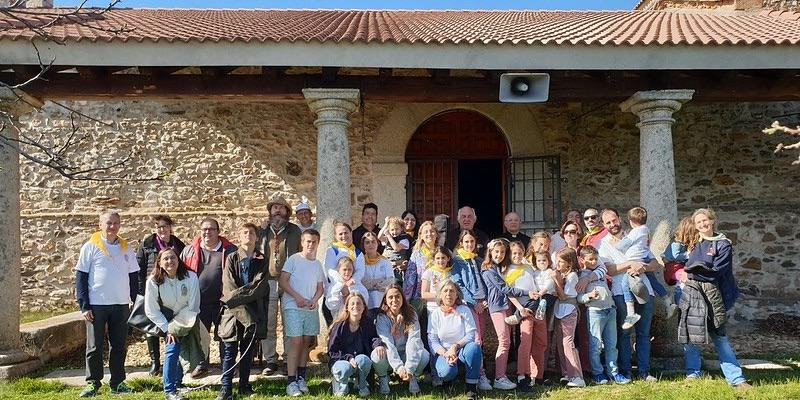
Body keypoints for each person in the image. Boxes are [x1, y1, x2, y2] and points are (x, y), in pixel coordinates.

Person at [678, 208, 750, 388]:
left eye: (705, 221)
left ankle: (736, 378)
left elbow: (716, 271)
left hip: (716, 295)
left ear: (712, 221)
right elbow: (676, 260)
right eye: (699, 222)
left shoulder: (723, 244)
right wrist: (683, 271)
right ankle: (693, 373)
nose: (703, 225)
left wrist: (691, 273)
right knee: (691, 335)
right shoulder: (694, 243)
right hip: (694, 294)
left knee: (720, 337)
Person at [76, 212, 139, 397]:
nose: (112, 226)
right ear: (100, 224)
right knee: (94, 346)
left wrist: (136, 302)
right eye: (108, 223)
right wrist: (84, 305)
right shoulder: (90, 247)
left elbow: (134, 276)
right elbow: (81, 277)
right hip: (97, 304)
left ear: (120, 225)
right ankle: (92, 383)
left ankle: (118, 382)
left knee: (119, 345)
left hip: (120, 304)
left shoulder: (126, 248)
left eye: (116, 223)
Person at [597, 208, 659, 382]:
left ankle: (644, 371)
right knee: (624, 333)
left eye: (614, 220)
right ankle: (625, 371)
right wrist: (632, 263)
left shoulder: (635, 236)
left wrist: (643, 267)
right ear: (604, 225)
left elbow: (654, 263)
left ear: (619, 219)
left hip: (644, 288)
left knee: (644, 333)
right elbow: (609, 269)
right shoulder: (602, 244)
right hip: (620, 291)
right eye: (608, 222)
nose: (612, 224)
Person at [215, 223, 270, 400]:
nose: (248, 235)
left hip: (253, 312)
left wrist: (241, 302)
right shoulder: (231, 258)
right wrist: (240, 304)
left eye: (252, 232)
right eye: (245, 232)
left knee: (247, 352)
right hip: (232, 313)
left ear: (256, 237)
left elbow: (258, 287)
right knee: (230, 352)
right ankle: (226, 389)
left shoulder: (262, 259)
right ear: (240, 236)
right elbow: (229, 287)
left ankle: (244, 386)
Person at [180, 218, 237, 378]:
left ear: (218, 231)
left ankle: (226, 365)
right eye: (205, 229)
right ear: (200, 231)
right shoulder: (189, 250)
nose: (208, 232)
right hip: (198, 301)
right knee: (200, 336)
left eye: (211, 229)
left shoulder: (230, 250)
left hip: (223, 302)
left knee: (225, 335)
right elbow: (182, 275)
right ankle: (201, 364)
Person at [144, 247, 200, 400]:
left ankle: (178, 383)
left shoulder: (191, 277)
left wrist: (182, 323)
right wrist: (169, 329)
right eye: (166, 259)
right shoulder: (153, 281)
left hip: (187, 318)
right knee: (173, 348)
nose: (170, 261)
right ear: (160, 263)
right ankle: (170, 390)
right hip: (166, 321)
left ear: (178, 259)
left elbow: (194, 304)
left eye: (173, 258)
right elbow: (151, 309)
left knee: (184, 349)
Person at [481, 238, 536, 391]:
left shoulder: (499, 268)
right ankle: (499, 378)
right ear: (490, 252)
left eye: (502, 252)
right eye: (496, 252)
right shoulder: (488, 269)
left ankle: (501, 375)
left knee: (507, 342)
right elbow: (504, 288)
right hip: (497, 307)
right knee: (504, 341)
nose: (499, 254)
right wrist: (527, 293)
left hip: (506, 306)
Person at [256, 197, 301, 375]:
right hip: (268, 281)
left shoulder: (294, 231)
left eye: (281, 209)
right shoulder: (262, 231)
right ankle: (270, 360)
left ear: (287, 212)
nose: (277, 211)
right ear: (270, 211)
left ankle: (288, 359)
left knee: (290, 322)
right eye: (275, 208)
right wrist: (261, 230)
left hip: (289, 281)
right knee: (269, 322)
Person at [137, 214, 186, 377]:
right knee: (151, 328)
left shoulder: (178, 244)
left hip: (172, 291)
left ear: (170, 227)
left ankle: (171, 361)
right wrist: (139, 292)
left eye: (165, 226)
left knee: (171, 325)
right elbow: (140, 269)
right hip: (152, 289)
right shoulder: (147, 244)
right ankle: (155, 362)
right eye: (159, 227)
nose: (162, 229)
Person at [281, 229, 326, 397]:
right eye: (308, 241)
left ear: (318, 243)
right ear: (302, 241)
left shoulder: (317, 264)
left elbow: (320, 288)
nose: (311, 244)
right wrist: (297, 297)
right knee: (296, 342)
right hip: (293, 306)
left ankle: (301, 377)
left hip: (310, 308)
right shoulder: (294, 259)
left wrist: (314, 300)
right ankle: (291, 381)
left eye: (314, 242)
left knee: (306, 342)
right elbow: (283, 281)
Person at [615, 206, 677, 329]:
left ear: (631, 222)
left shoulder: (635, 231)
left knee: (624, 283)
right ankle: (667, 301)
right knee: (653, 281)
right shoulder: (646, 230)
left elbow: (623, 245)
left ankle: (631, 312)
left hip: (636, 259)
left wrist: (620, 241)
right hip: (645, 257)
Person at [576, 246, 629, 385]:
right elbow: (578, 298)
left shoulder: (599, 271)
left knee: (612, 344)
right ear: (582, 260)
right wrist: (589, 296)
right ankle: (597, 373)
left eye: (595, 258)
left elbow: (603, 269)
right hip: (595, 311)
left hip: (610, 309)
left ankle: (614, 372)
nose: (594, 261)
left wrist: (590, 278)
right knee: (596, 345)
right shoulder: (580, 275)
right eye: (590, 259)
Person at [450, 230, 491, 390]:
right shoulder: (457, 261)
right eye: (466, 242)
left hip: (483, 304)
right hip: (469, 305)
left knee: (481, 339)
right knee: (476, 338)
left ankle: (479, 371)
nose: (469, 244)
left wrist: (485, 300)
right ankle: (479, 374)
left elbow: (486, 282)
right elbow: (459, 284)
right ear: (461, 243)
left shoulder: (479, 260)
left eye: (472, 242)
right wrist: (475, 303)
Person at [427, 281, 482, 400]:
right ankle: (448, 381)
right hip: (444, 352)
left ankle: (471, 387)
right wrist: (446, 353)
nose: (448, 294)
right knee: (446, 372)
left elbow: (470, 335)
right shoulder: (435, 314)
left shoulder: (464, 310)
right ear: (440, 295)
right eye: (445, 291)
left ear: (457, 294)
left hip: (462, 349)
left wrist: (455, 346)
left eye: (452, 291)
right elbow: (432, 340)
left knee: (474, 348)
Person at [373, 284, 429, 395]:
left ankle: (413, 377)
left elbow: (414, 340)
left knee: (424, 355)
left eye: (398, 296)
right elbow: (388, 343)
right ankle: (384, 378)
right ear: (385, 300)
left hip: (407, 354)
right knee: (376, 355)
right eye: (390, 297)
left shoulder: (411, 314)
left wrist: (409, 368)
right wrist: (398, 367)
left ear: (403, 298)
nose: (394, 300)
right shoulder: (381, 317)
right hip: (390, 357)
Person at [327, 293, 386, 397]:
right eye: (352, 304)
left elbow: (374, 338)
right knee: (344, 368)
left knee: (364, 360)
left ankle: (362, 385)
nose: (356, 306)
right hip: (342, 361)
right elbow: (332, 351)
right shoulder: (339, 326)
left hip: (359, 360)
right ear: (347, 308)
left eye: (359, 303)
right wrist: (348, 358)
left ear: (363, 307)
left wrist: (378, 345)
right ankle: (341, 383)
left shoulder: (368, 323)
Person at [501, 241, 538, 393]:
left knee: (529, 339)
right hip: (520, 308)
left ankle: (529, 373)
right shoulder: (507, 270)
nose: (517, 256)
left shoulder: (528, 267)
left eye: (519, 253)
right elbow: (509, 292)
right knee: (520, 338)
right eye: (513, 253)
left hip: (532, 307)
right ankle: (520, 374)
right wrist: (520, 309)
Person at [552, 248, 585, 388]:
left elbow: (564, 296)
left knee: (568, 343)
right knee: (560, 343)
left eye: (561, 261)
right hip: (560, 311)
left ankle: (577, 376)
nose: (558, 264)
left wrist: (556, 281)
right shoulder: (563, 274)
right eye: (557, 261)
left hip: (569, 310)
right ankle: (566, 373)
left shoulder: (572, 276)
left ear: (569, 263)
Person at [404, 220, 438, 342]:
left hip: (437, 299)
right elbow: (410, 278)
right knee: (419, 332)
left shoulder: (441, 253)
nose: (429, 234)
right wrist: (406, 300)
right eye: (426, 232)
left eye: (432, 231)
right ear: (421, 235)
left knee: (436, 331)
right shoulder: (416, 255)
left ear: (436, 234)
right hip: (419, 300)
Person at [324, 221, 363, 324]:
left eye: (346, 233)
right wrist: (342, 284)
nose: (344, 236)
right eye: (340, 234)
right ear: (335, 236)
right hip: (336, 291)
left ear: (351, 233)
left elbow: (360, 271)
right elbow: (330, 270)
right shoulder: (332, 250)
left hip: (353, 289)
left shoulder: (357, 253)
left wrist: (351, 281)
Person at [356, 232, 395, 319]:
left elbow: (390, 281)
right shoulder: (359, 262)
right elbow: (360, 281)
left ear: (378, 243)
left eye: (373, 241)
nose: (371, 244)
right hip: (365, 299)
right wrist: (377, 282)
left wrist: (373, 284)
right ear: (363, 246)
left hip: (382, 299)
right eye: (367, 242)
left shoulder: (385, 262)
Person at [661, 216, 697, 306]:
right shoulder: (676, 243)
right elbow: (675, 255)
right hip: (674, 269)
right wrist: (687, 254)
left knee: (682, 283)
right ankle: (674, 304)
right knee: (683, 280)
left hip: (677, 267)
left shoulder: (681, 243)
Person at [421, 246, 458, 315]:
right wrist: (440, 296)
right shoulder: (429, 272)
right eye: (438, 258)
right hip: (433, 308)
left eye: (443, 258)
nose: (440, 261)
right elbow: (424, 294)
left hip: (448, 307)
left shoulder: (451, 273)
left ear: (448, 258)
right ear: (434, 259)